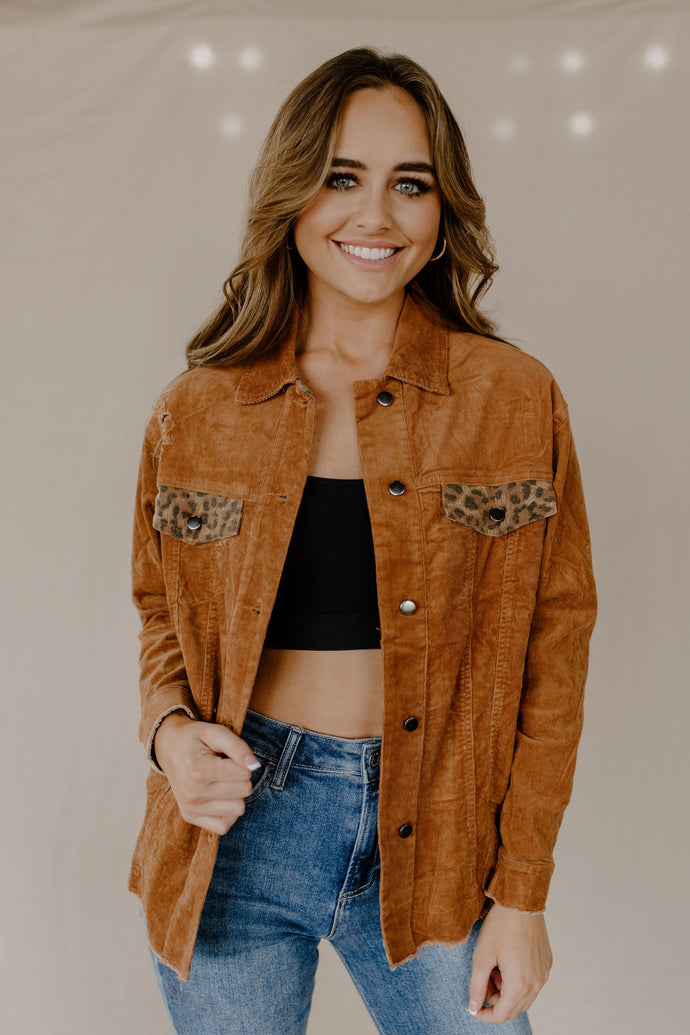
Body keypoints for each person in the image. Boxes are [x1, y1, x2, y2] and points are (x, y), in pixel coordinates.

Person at [129, 47, 596, 1034]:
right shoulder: (198, 409)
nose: (375, 215)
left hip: (443, 834)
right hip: (238, 834)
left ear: (444, 208)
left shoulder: (513, 399)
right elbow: (162, 608)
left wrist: (522, 893)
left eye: (410, 184)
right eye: (342, 177)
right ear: (293, 193)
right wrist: (169, 735)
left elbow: (555, 651)